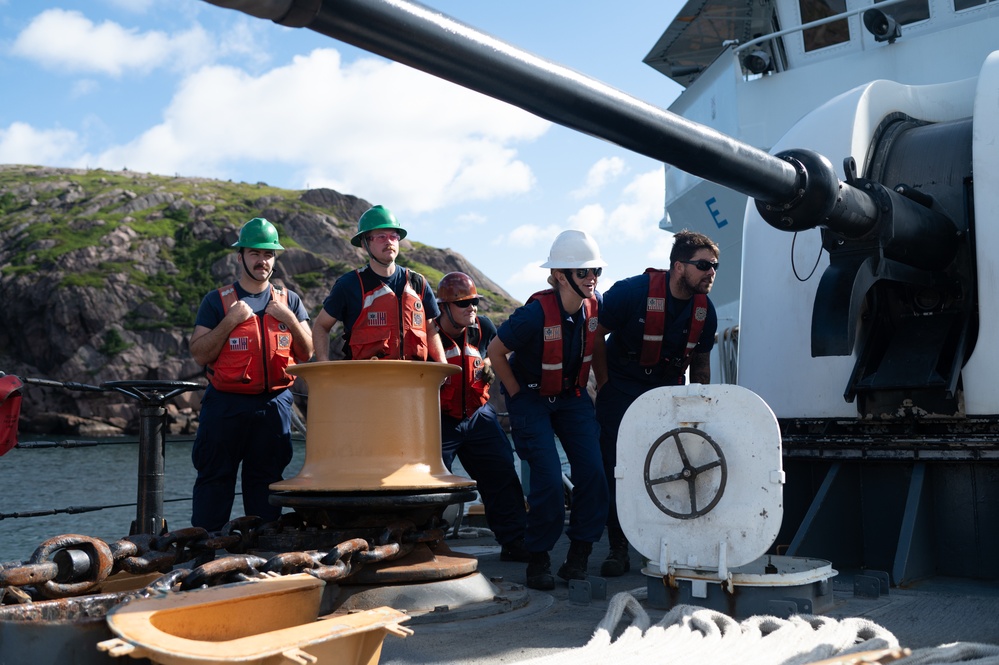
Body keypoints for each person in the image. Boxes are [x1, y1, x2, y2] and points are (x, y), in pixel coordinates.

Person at [592, 229, 719, 576]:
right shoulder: (631, 293)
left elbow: (702, 362)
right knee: (616, 468)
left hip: (668, 393)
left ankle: (667, 543)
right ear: (679, 266)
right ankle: (618, 548)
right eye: (704, 265)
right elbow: (594, 333)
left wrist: (699, 405)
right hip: (621, 388)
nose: (711, 272)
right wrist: (603, 383)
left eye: (715, 266)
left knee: (670, 467)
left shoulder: (706, 312)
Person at [487, 230, 609, 590]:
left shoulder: (594, 306)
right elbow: (495, 352)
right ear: (559, 275)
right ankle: (538, 558)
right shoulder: (534, 314)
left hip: (571, 399)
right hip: (533, 399)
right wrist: (516, 394)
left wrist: (601, 386)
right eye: (583, 272)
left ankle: (578, 557)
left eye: (596, 271)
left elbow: (597, 342)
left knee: (593, 474)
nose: (592, 279)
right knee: (549, 478)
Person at [189, 217, 314, 530]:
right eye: (256, 253)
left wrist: (288, 318)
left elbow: (307, 352)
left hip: (274, 406)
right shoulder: (216, 302)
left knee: (266, 485)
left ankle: (261, 559)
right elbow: (199, 353)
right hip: (225, 407)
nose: (263, 260)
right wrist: (231, 320)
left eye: (269, 254)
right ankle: (203, 553)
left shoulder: (290, 301)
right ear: (240, 256)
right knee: (215, 481)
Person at [436, 272, 530, 562]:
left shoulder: (482, 327)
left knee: (502, 471)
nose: (471, 308)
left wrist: (487, 364)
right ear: (444, 307)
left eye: (474, 301)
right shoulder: (430, 334)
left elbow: (493, 351)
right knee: (431, 484)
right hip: (440, 419)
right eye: (463, 303)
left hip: (478, 416)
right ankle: (427, 544)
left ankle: (515, 541)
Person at [312, 205, 446, 362]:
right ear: (364, 244)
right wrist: (324, 363)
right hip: (367, 381)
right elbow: (321, 326)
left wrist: (441, 365)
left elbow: (430, 329)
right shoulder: (349, 284)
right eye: (381, 237)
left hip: (413, 379)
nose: (389, 241)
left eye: (393, 236)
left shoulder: (418, 283)